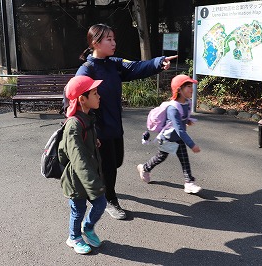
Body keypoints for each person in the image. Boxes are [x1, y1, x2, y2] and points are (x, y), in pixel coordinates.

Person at [75, 23, 177, 220]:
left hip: (115, 125)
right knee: (109, 167)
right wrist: (85, 129)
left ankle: (101, 185)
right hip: (99, 129)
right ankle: (109, 200)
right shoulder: (86, 70)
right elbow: (72, 98)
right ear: (96, 42)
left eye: (114, 38)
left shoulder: (114, 63)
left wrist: (158, 62)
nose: (114, 43)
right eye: (109, 39)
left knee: (117, 160)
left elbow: (136, 67)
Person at [58, 75, 106, 255]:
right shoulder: (73, 125)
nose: (99, 96)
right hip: (76, 179)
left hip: (89, 174)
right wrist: (93, 184)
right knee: (78, 210)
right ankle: (74, 237)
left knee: (100, 205)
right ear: (82, 99)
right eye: (95, 93)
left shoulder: (87, 117)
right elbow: (78, 159)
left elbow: (84, 146)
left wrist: (94, 142)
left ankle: (88, 227)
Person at [137, 75, 202, 194]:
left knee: (184, 160)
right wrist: (192, 145)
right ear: (179, 89)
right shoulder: (172, 108)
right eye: (188, 86)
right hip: (168, 138)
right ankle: (144, 168)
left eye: (191, 86)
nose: (191, 89)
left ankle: (189, 183)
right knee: (160, 157)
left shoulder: (187, 103)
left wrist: (187, 121)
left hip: (179, 139)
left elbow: (181, 119)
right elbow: (179, 130)